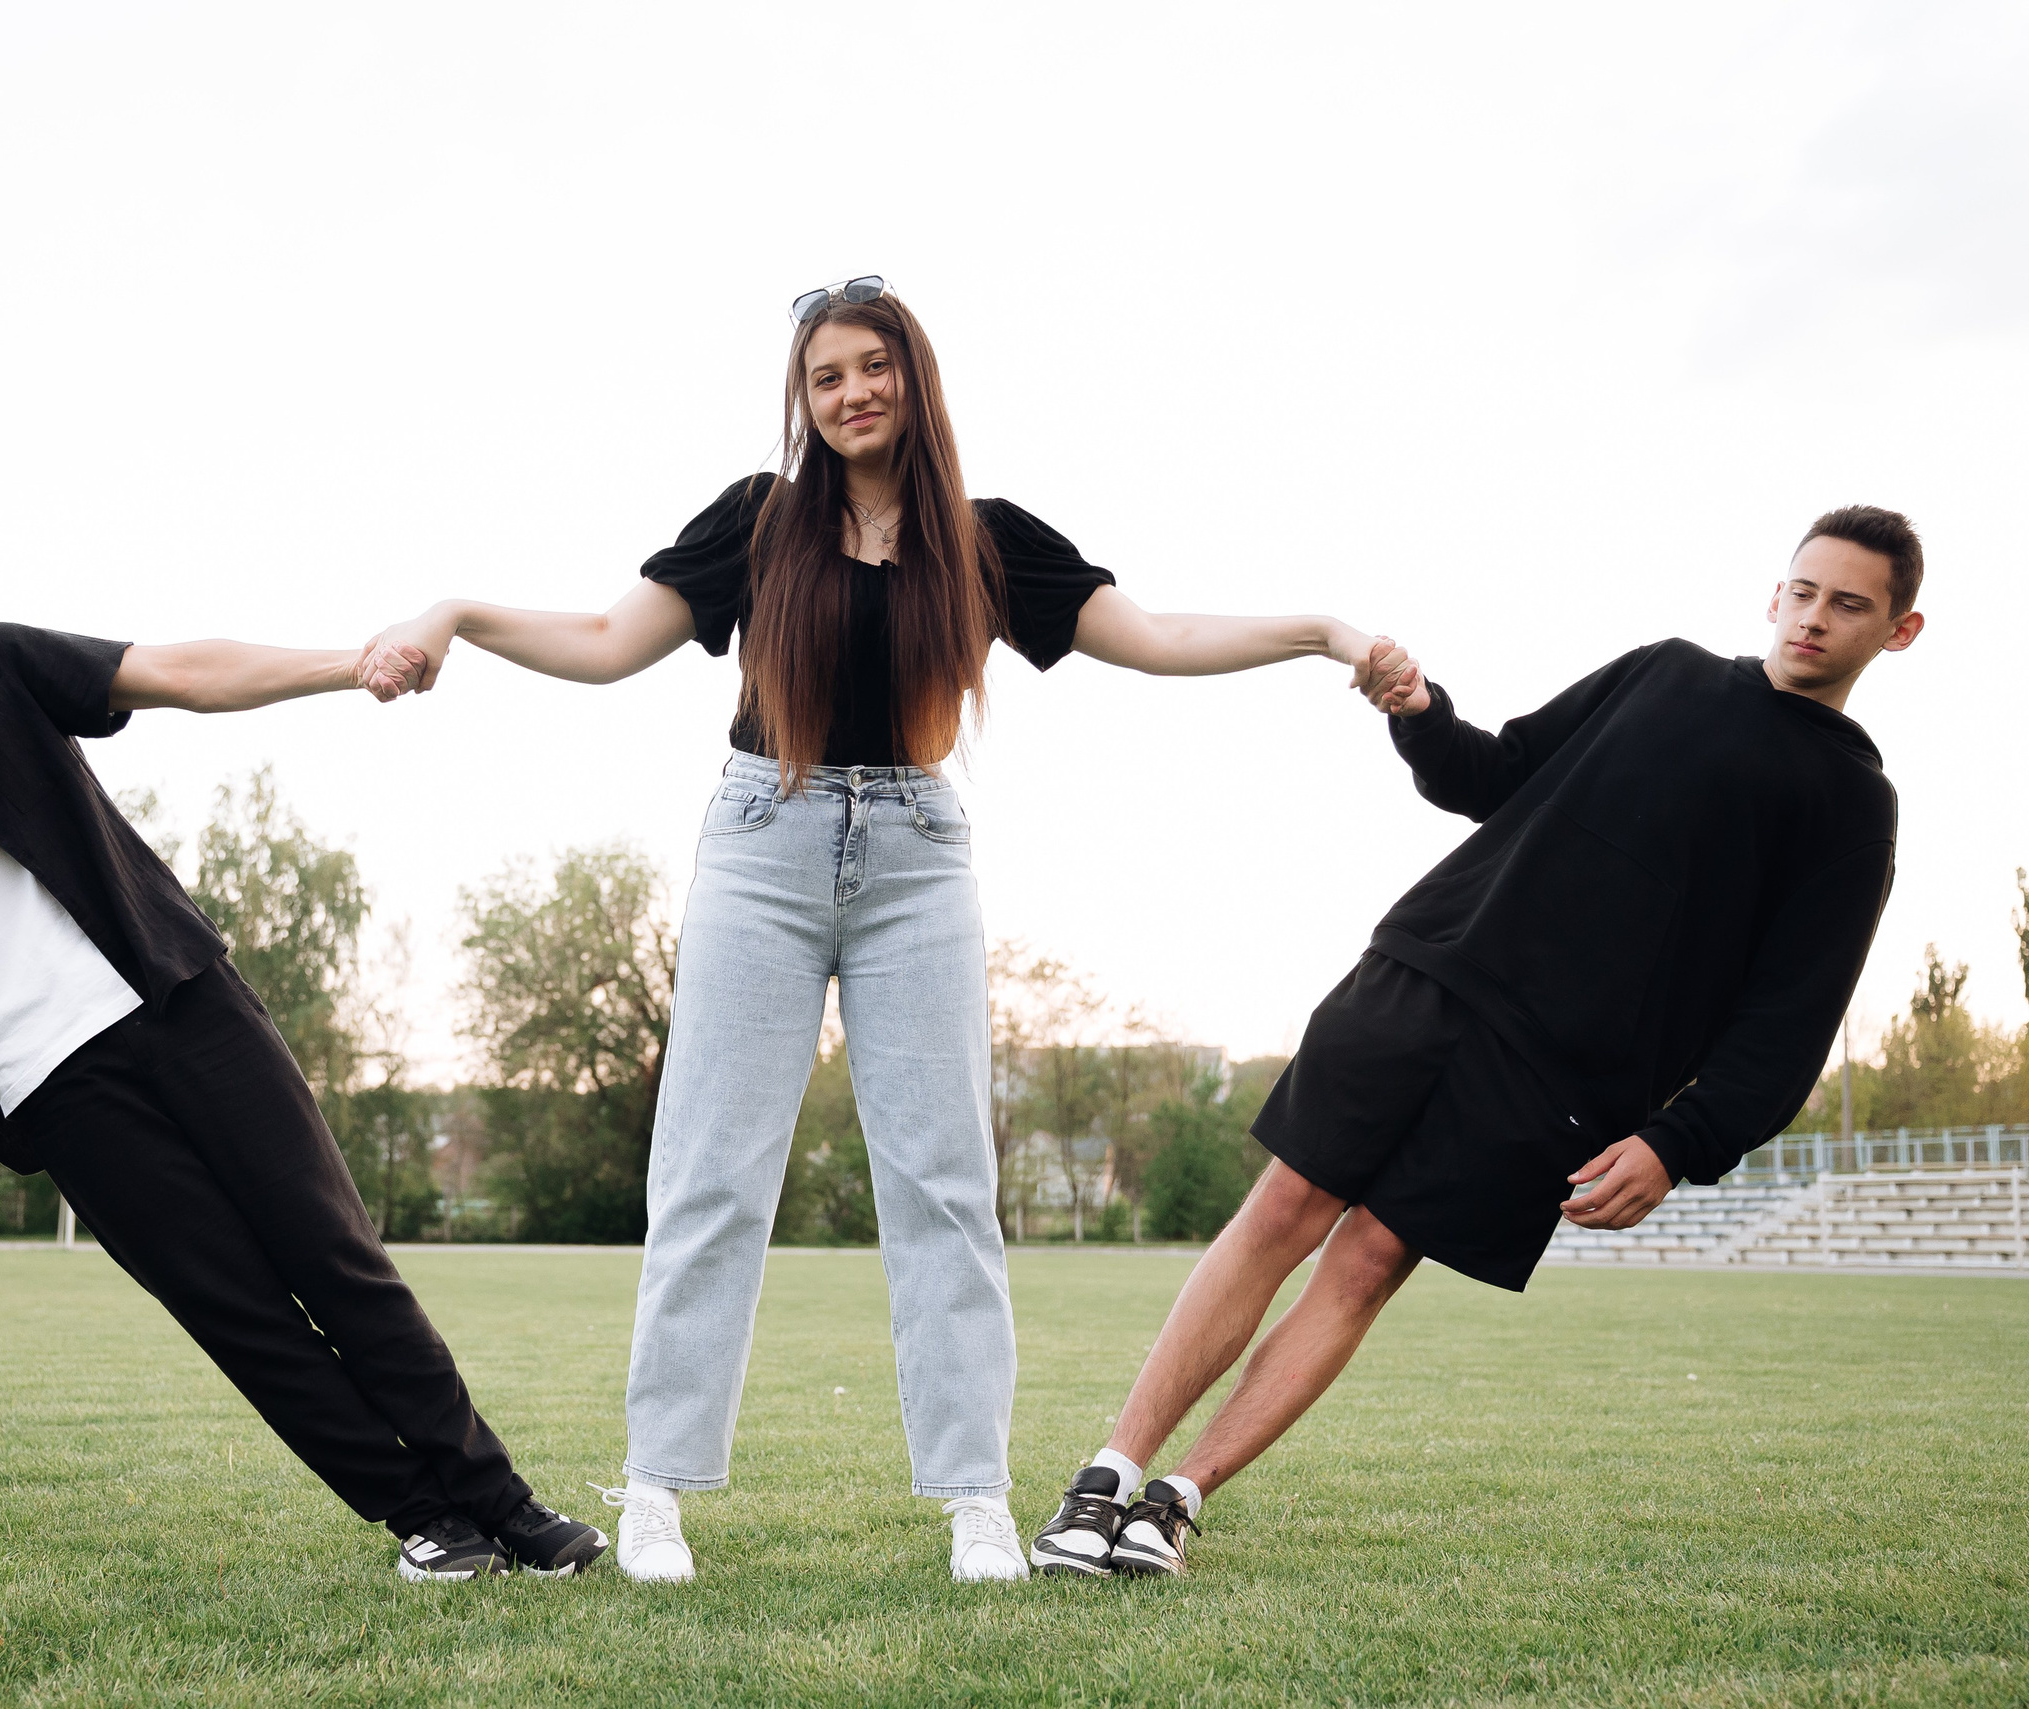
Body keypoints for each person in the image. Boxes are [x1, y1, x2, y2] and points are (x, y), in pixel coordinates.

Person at [359, 278, 1409, 1581]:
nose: (851, 392)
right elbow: (604, 638)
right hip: (763, 839)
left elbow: (1158, 635)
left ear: (914, 377)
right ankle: (657, 1489)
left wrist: (1323, 633)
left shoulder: (986, 541)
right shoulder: (758, 523)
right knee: (709, 1177)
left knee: (945, 1186)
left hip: (918, 855)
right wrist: (454, 615)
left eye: (873, 366)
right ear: (802, 400)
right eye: (825, 376)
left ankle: (974, 1498)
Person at [0, 512, 607, 1583]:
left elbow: (177, 671)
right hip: (50, 1086)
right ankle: (426, 1518)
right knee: (238, 1313)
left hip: (179, 1003)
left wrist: (349, 664)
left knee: (336, 1257)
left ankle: (507, 1505)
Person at [1029, 505, 1922, 1578]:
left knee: (1367, 1262)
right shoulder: (1666, 672)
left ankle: (1175, 1501)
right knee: (1282, 1206)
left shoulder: (1854, 806)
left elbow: (1787, 1025)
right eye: (1803, 590)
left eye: (1848, 604)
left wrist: (1676, 1141)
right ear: (1774, 592)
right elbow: (1496, 775)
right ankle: (1105, 1478)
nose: (1813, 618)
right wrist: (1418, 710)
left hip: (1562, 1078)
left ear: (1899, 630)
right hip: (1430, 971)